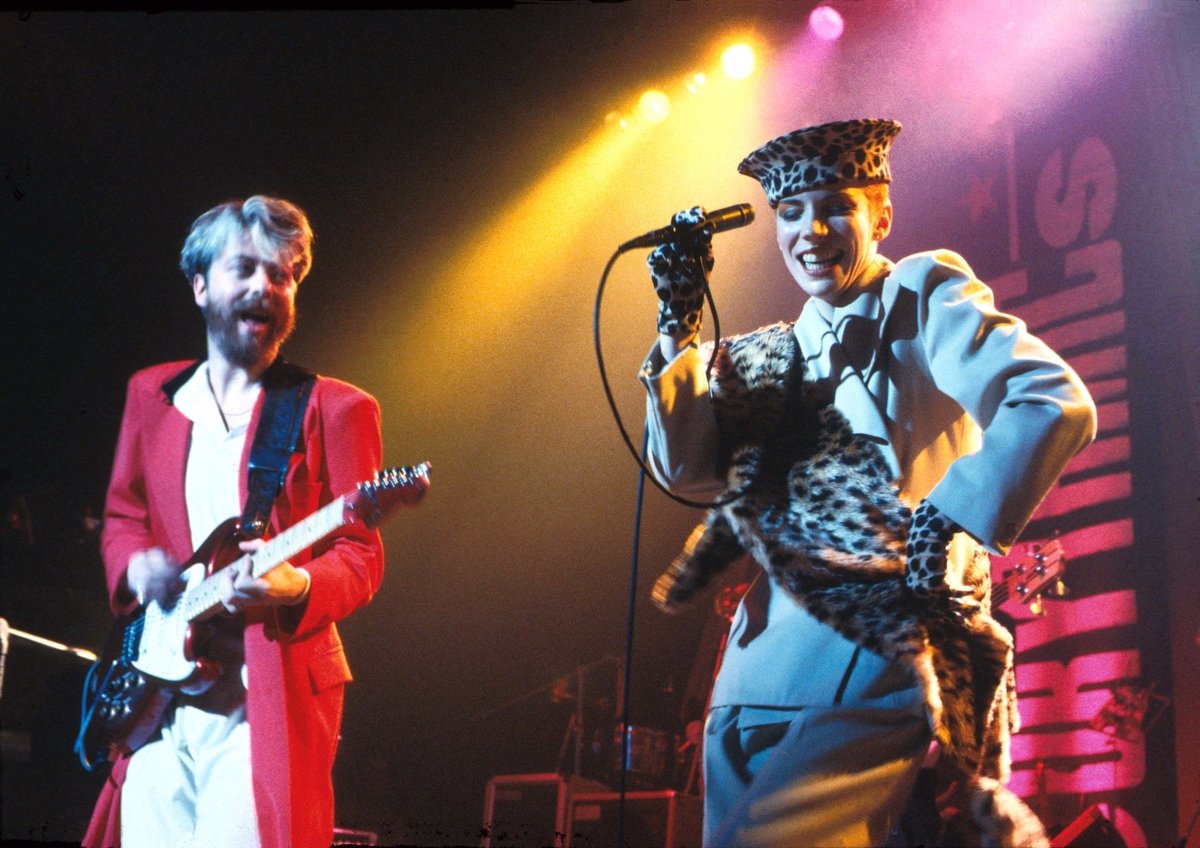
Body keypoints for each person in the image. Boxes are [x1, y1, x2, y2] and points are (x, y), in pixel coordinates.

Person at [638, 119, 1097, 847]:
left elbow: (1051, 400)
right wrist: (676, 325)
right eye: (791, 212)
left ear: (881, 214)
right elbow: (684, 471)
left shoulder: (917, 295)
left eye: (834, 207)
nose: (811, 230)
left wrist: (947, 519)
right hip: (753, 681)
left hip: (870, 663)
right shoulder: (765, 352)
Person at [83, 196, 393, 848]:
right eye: (245, 269)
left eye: (281, 275)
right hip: (158, 692)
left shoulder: (336, 409)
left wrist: (297, 587)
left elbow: (360, 554)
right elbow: (123, 515)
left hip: (265, 691)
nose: (265, 287)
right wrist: (136, 565)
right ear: (200, 285)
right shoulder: (153, 395)